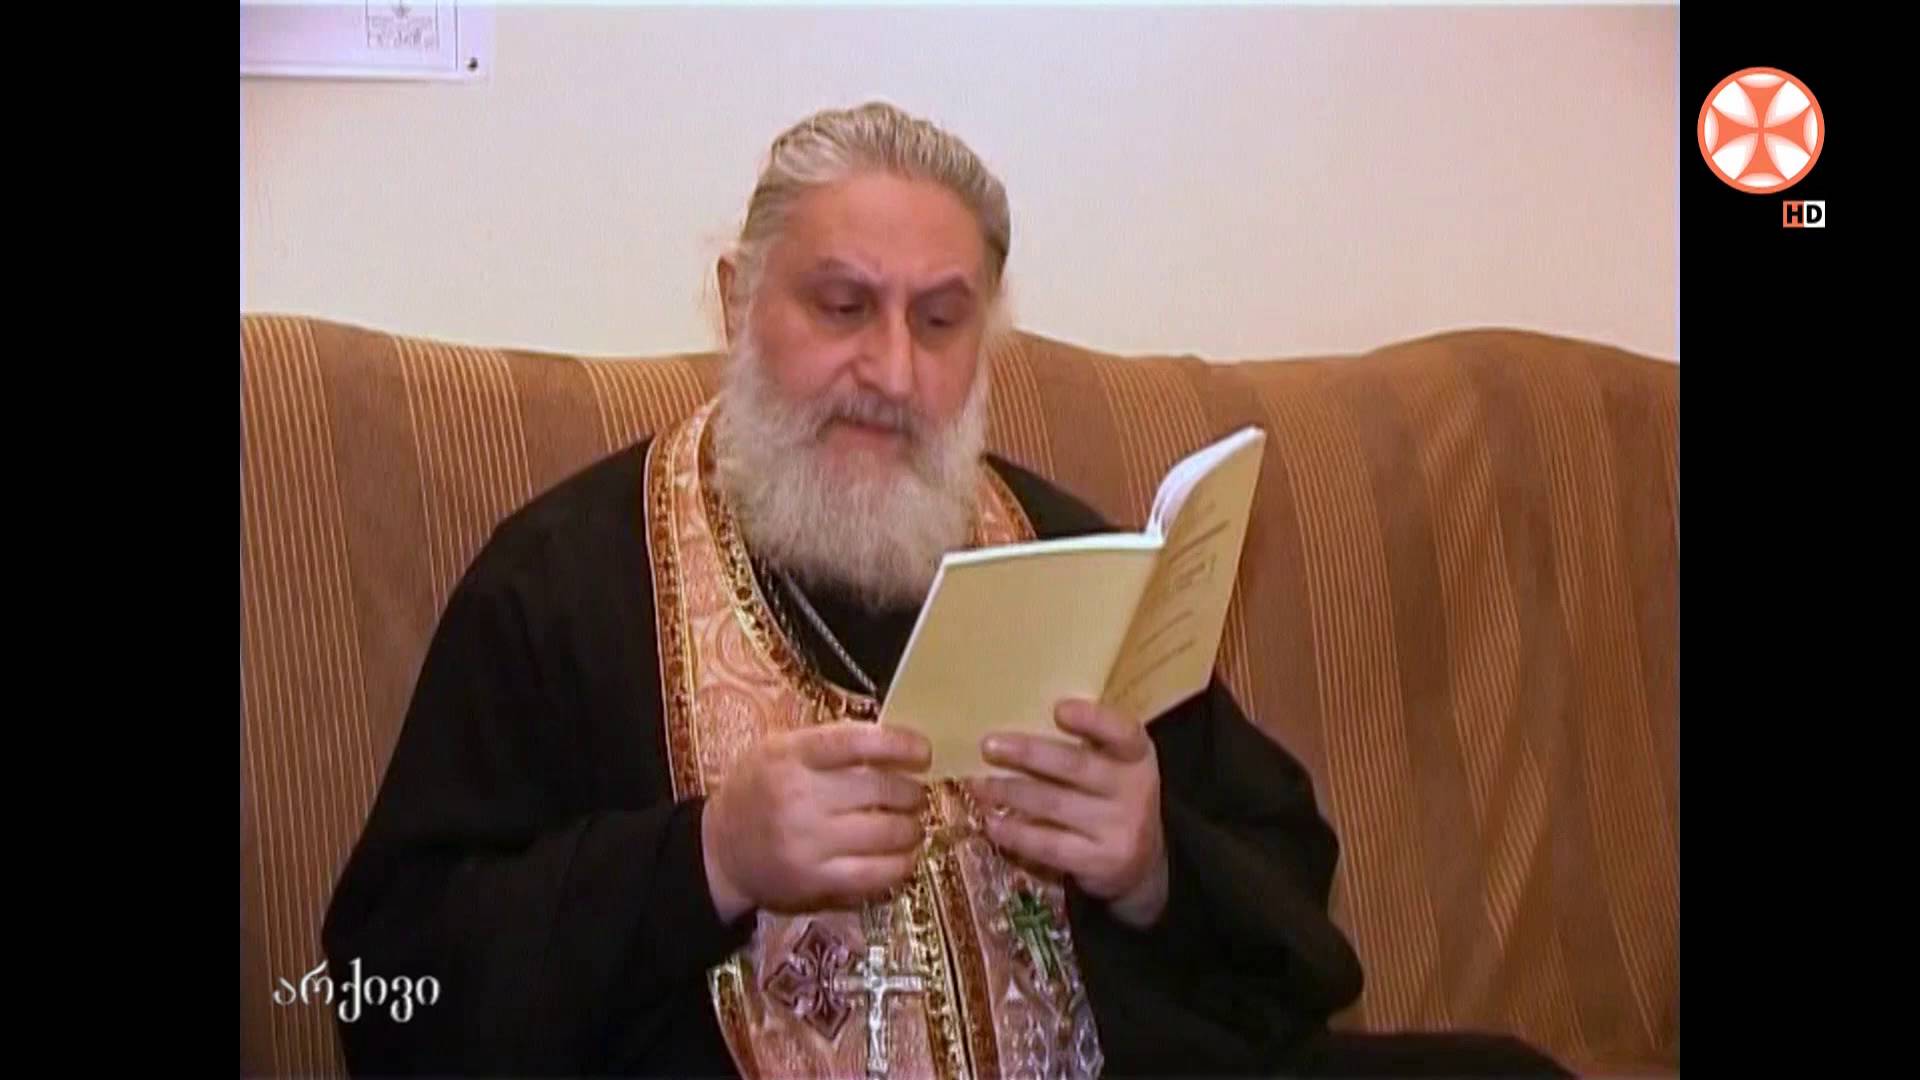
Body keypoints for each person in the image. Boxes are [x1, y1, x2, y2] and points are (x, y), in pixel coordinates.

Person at [321, 101, 1569, 1079]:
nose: (891, 371)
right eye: (842, 306)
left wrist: (1152, 864)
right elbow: (387, 989)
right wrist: (706, 857)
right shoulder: (566, 583)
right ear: (738, 301)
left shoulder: (1065, 555)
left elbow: (1291, 897)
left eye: (938, 321)